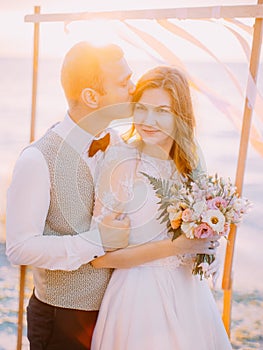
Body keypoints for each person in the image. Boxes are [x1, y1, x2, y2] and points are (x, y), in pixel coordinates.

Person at [6, 43, 219, 350]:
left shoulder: (121, 143)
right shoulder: (37, 160)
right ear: (93, 97)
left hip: (121, 308)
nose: (133, 89)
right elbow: (19, 248)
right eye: (123, 83)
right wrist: (97, 241)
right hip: (65, 315)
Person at [90, 66, 232, 349]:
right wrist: (177, 247)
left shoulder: (191, 160)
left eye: (162, 111)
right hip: (137, 300)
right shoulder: (122, 159)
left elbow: (202, 229)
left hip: (190, 296)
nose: (148, 120)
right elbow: (99, 258)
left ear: (180, 115)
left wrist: (211, 244)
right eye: (142, 108)